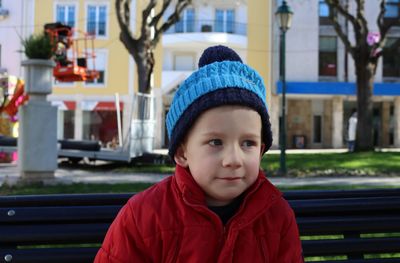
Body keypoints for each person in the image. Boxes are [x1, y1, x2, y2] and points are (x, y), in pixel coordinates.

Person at [94, 45, 303, 262]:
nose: (233, 160)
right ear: (182, 152)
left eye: (247, 143)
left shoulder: (276, 215)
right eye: (215, 142)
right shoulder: (144, 216)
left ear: (261, 150)